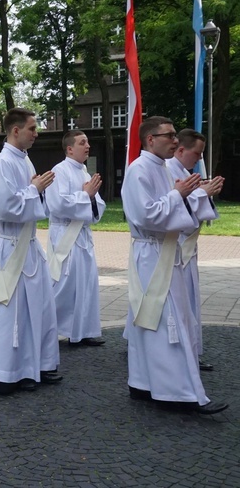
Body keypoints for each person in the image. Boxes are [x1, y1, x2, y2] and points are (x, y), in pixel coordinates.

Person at [122, 116, 226, 415]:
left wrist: (197, 195)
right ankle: (177, 392)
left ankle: (142, 382)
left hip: (165, 251)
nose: (176, 141)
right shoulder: (138, 170)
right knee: (166, 321)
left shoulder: (162, 169)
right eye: (169, 136)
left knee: (156, 319)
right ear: (150, 139)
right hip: (153, 253)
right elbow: (145, 215)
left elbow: (172, 206)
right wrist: (179, 195)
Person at [0, 107, 60, 395]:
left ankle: (32, 366)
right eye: (32, 128)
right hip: (8, 248)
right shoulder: (1, 165)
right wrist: (34, 190)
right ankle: (3, 374)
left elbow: (31, 200)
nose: (36, 133)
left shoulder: (25, 162)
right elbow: (5, 208)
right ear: (15, 130)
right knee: (10, 312)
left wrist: (37, 189)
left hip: (28, 245)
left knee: (37, 309)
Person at [167, 129, 223, 371]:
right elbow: (171, 205)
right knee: (180, 301)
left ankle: (190, 348)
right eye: (196, 153)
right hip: (174, 244)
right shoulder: (169, 169)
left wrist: (203, 192)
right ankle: (182, 351)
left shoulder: (182, 171)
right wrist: (202, 192)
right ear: (181, 150)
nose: (198, 159)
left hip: (186, 246)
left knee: (189, 297)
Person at [45, 130, 106, 346]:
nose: (87, 146)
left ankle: (82, 331)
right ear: (70, 148)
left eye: (88, 142)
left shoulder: (84, 173)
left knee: (86, 283)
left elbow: (98, 204)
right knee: (63, 284)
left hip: (82, 235)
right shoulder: (58, 171)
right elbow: (57, 204)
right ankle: (48, 327)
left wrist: (89, 197)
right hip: (64, 235)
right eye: (82, 143)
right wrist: (85, 195)